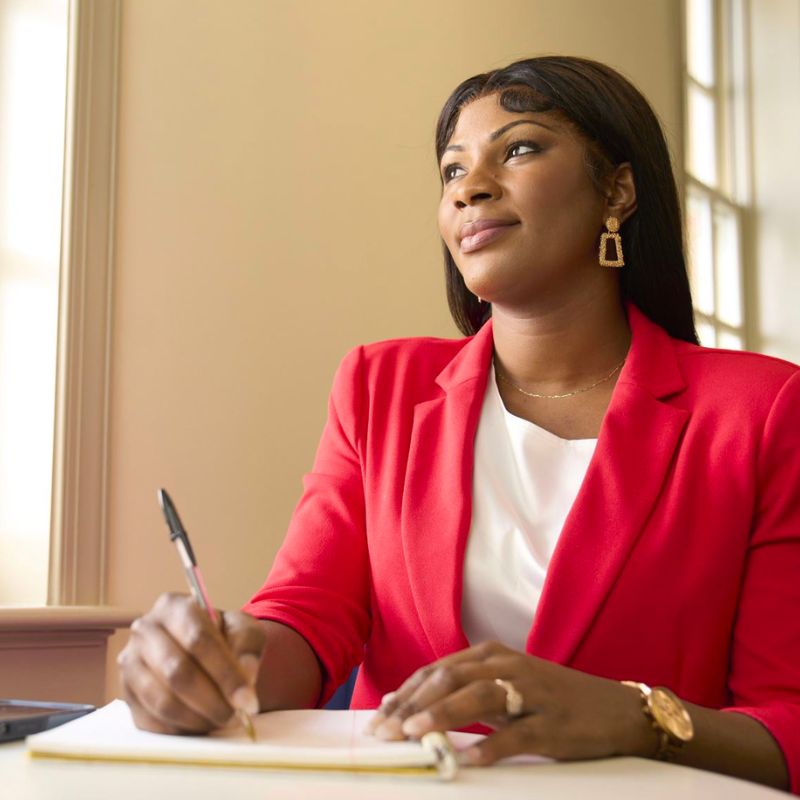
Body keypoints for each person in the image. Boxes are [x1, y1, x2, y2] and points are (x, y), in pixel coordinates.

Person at [118, 56, 800, 793]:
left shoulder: (762, 413)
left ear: (619, 190)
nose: (470, 187)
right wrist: (219, 662)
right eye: (451, 170)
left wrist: (635, 716)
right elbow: (307, 619)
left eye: (520, 148)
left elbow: (786, 725)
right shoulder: (379, 387)